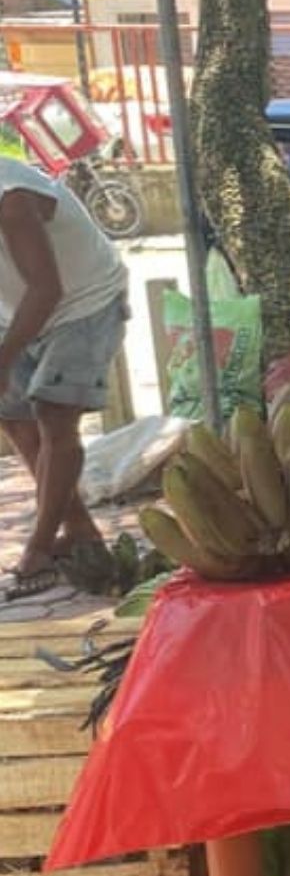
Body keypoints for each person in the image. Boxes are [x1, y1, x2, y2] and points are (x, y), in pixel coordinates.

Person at [0, 157, 124, 599]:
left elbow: (46, 289)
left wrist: (4, 357)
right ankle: (78, 530)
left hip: (84, 302)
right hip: (17, 308)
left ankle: (38, 547)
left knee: (54, 415)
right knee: (14, 418)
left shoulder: (11, 200)